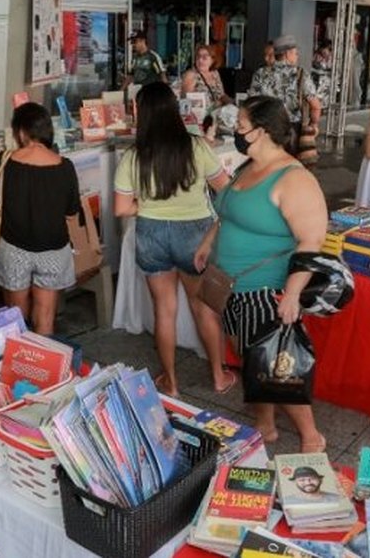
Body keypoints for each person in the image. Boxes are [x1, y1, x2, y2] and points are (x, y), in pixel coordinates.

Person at [193, 95, 328, 453]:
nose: (234, 132)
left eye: (240, 126)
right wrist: (208, 244)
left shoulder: (294, 179)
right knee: (254, 361)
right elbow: (226, 214)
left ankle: (311, 438)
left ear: (263, 131)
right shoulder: (246, 166)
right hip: (231, 286)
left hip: (266, 290)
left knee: (279, 368)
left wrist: (295, 293)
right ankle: (265, 425)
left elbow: (311, 240)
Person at [114, 82, 235, 397]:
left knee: (163, 310)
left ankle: (171, 382)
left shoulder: (133, 155)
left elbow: (122, 208)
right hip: (194, 234)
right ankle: (219, 377)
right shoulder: (196, 146)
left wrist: (152, 204)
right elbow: (227, 189)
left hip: (151, 233)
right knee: (202, 307)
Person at [0, 103, 81, 335]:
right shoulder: (65, 166)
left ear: (20, 132)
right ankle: (40, 364)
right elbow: (71, 212)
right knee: (46, 317)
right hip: (53, 249)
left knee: (14, 317)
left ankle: (16, 364)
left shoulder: (5, 162)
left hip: (14, 248)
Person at [249, 34, 322, 167]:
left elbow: (252, 104)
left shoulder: (260, 73)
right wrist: (314, 124)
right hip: (292, 133)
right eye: (295, 53)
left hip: (267, 131)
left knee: (268, 168)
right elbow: (315, 106)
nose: (297, 56)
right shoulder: (301, 74)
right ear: (287, 54)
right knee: (290, 169)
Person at [181, 43, 232, 109]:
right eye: (198, 57)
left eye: (204, 57)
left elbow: (221, 94)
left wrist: (230, 101)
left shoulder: (215, 73)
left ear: (212, 60)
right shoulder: (191, 75)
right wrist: (215, 104)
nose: (200, 60)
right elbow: (185, 100)